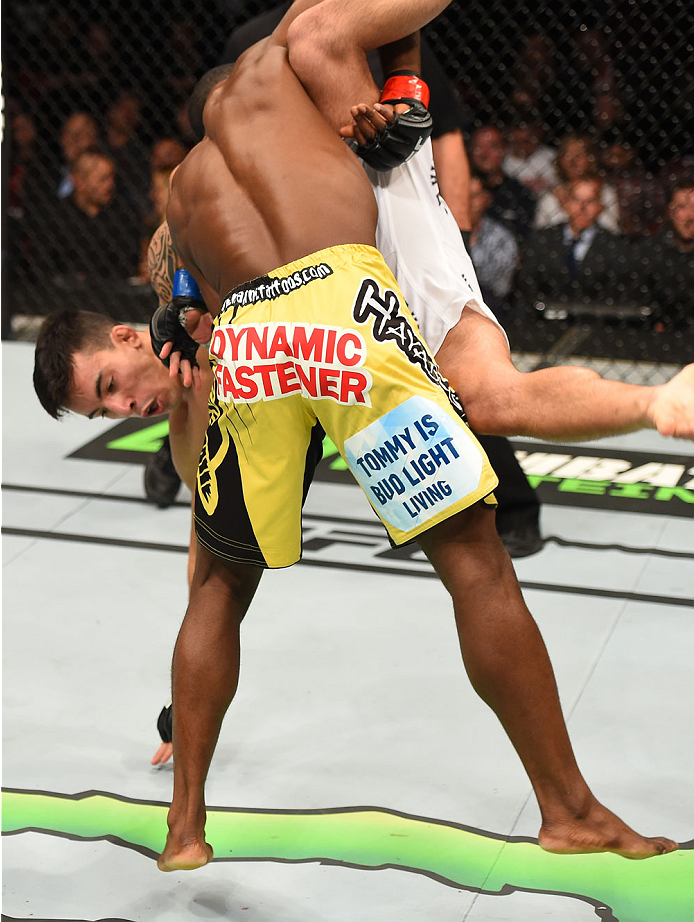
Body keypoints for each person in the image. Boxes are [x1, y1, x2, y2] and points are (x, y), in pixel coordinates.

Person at [33, 0, 689, 872]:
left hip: (251, 342)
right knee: (474, 564)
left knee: (218, 586)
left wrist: (173, 322)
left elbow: (182, 295)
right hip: (341, 301)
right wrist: (403, 82)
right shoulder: (285, 60)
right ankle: (567, 810)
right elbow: (351, 29)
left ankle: (184, 825)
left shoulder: (182, 188)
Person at [517, 175, 632, 313]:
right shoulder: (541, 240)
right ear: (565, 204)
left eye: (590, 201)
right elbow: (525, 287)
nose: (582, 208)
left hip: (597, 321)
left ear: (600, 207)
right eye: (576, 200)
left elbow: (618, 294)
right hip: (543, 317)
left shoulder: (616, 247)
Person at [534, 133, 620, 233]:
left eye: (579, 155)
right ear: (559, 159)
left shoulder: (606, 193)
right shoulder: (550, 196)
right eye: (567, 155)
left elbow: (612, 232)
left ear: (591, 159)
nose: (573, 161)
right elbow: (541, 235)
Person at [467, 125, 536, 240]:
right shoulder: (458, 190)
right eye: (478, 147)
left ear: (504, 150)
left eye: (492, 146)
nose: (484, 154)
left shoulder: (520, 194)